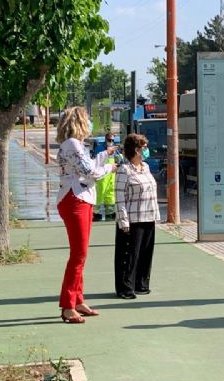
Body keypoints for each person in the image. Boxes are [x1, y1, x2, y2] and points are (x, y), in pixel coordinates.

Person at [55, 107, 117, 323]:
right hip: (75, 199)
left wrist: (104, 156)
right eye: (87, 120)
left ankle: (78, 300)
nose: (90, 123)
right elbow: (89, 172)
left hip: (81, 198)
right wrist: (110, 168)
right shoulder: (72, 144)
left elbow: (87, 166)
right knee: (78, 255)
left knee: (81, 254)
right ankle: (67, 305)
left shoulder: (76, 145)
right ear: (80, 122)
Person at [114, 133, 160, 299]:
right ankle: (126, 287)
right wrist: (123, 219)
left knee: (146, 253)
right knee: (129, 255)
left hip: (148, 216)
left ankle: (141, 284)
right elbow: (119, 197)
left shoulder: (145, 167)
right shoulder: (124, 170)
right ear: (135, 150)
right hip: (133, 219)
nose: (146, 150)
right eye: (143, 148)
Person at [93, 132, 118, 221]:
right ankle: (96, 213)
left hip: (112, 175)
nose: (111, 142)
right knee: (100, 193)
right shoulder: (99, 148)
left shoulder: (115, 149)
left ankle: (110, 212)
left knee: (110, 194)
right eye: (109, 140)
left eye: (112, 140)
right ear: (105, 139)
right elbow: (96, 161)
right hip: (102, 177)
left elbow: (119, 159)